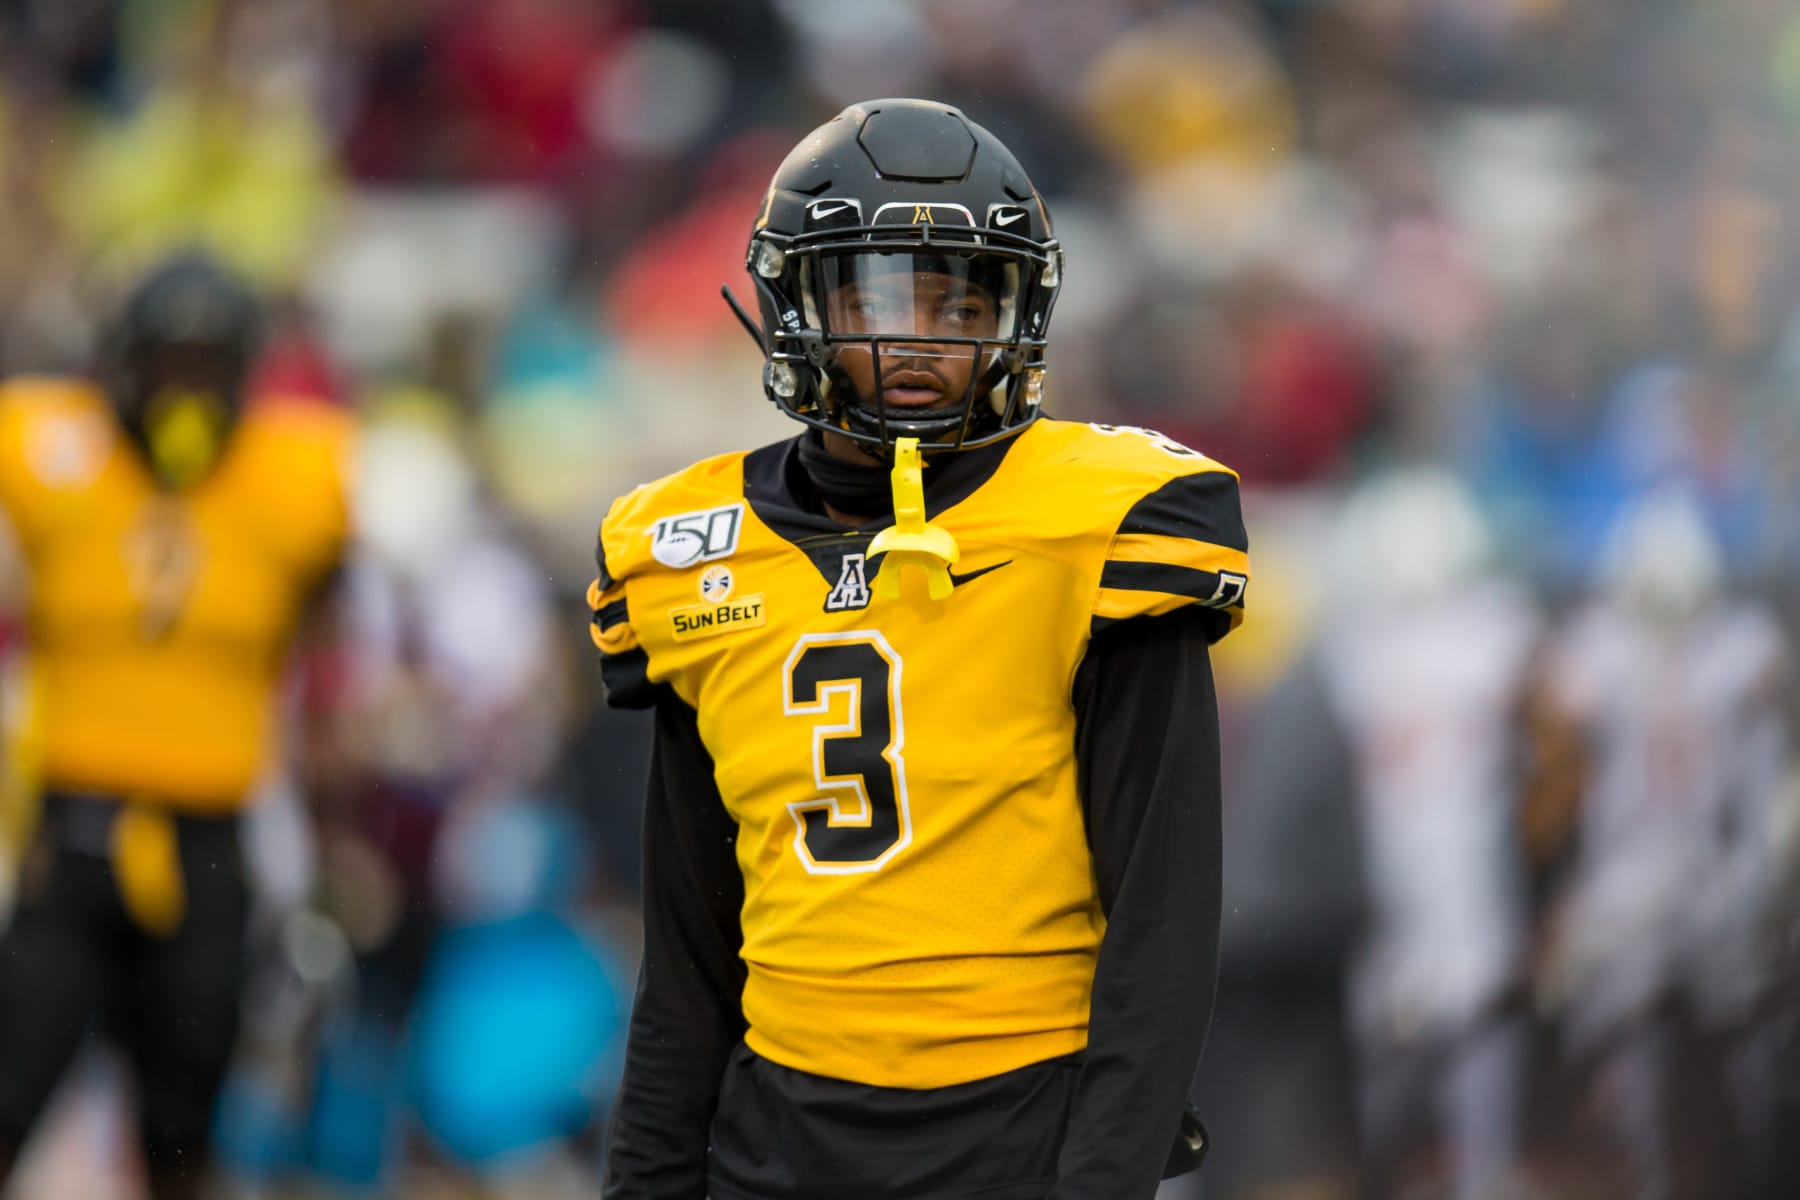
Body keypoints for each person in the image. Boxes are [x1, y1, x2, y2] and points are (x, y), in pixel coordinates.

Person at [589, 99, 1250, 1199]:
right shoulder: (685, 551)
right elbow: (690, 956)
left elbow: (1165, 922)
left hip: (1020, 1125)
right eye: (875, 298)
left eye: (958, 302)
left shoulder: (1099, 519)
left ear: (1015, 315)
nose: (918, 344)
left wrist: (1100, 1180)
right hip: (778, 1129)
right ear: (795, 305)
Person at [0, 253, 352, 1200]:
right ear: (121, 364)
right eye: (166, 362)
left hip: (211, 843)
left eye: (205, 365)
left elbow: (328, 662)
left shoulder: (301, 476)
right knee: (10, 1089)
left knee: (184, 1130)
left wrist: (331, 830)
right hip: (68, 838)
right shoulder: (46, 450)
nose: (182, 390)